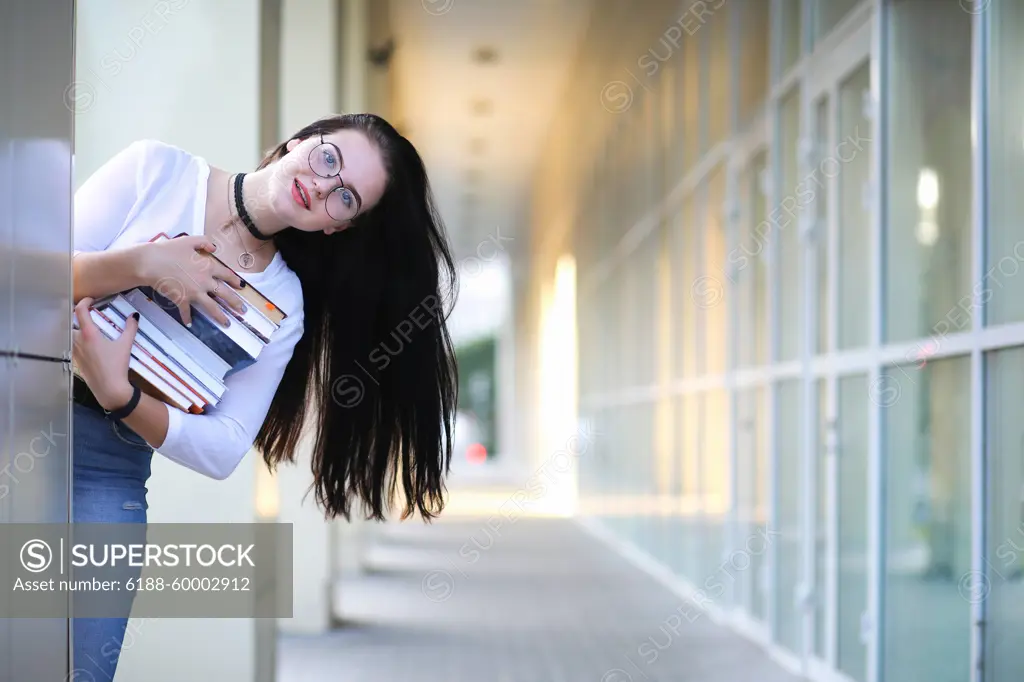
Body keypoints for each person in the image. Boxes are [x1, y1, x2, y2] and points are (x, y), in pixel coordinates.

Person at [69, 113, 459, 679]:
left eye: (345, 198)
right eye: (329, 159)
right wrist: (144, 264)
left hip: (107, 470)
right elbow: (23, 276)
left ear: (337, 227)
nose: (325, 184)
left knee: (83, 672)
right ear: (299, 142)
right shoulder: (156, 170)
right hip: (18, 419)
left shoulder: (283, 304)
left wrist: (119, 396)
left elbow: (225, 447)